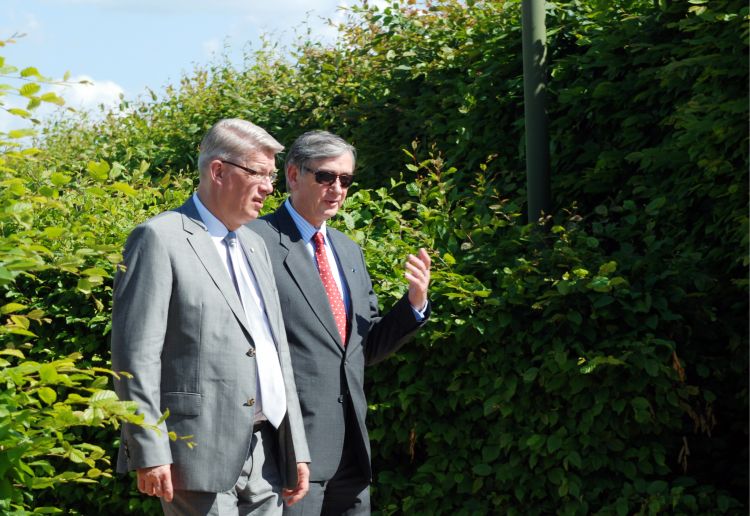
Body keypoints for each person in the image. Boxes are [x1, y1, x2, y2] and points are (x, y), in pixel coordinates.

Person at [111, 118, 310, 515]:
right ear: (218, 171)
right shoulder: (159, 238)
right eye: (259, 173)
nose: (270, 187)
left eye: (271, 176)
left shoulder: (255, 245)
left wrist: (296, 447)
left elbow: (274, 351)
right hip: (193, 454)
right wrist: (149, 448)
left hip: (267, 451)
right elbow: (135, 358)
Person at [248, 130, 431, 515]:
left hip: (351, 450)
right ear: (293, 175)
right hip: (290, 451)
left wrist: (414, 303)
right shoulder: (254, 240)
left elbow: (364, 349)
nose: (337, 189)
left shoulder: (349, 251)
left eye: (345, 180)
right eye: (325, 176)